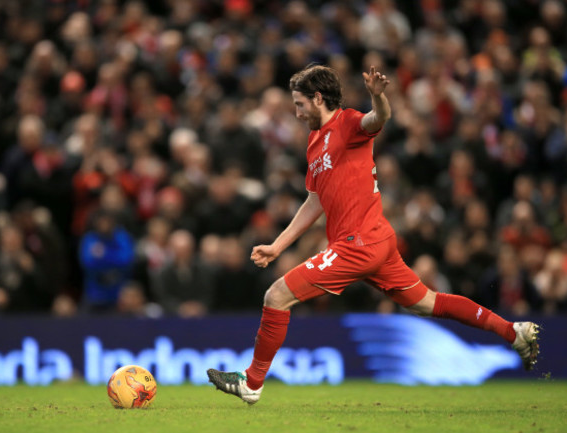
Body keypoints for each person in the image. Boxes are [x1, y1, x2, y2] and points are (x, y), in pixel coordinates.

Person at [206, 65, 539, 404]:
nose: (296, 112)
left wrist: (378, 97)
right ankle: (513, 332)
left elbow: (377, 119)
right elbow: (315, 200)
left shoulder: (348, 123)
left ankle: (252, 382)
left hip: (358, 244)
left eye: (300, 104)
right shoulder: (314, 143)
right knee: (427, 303)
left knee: (277, 296)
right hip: (375, 241)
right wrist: (277, 246)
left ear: (318, 98)